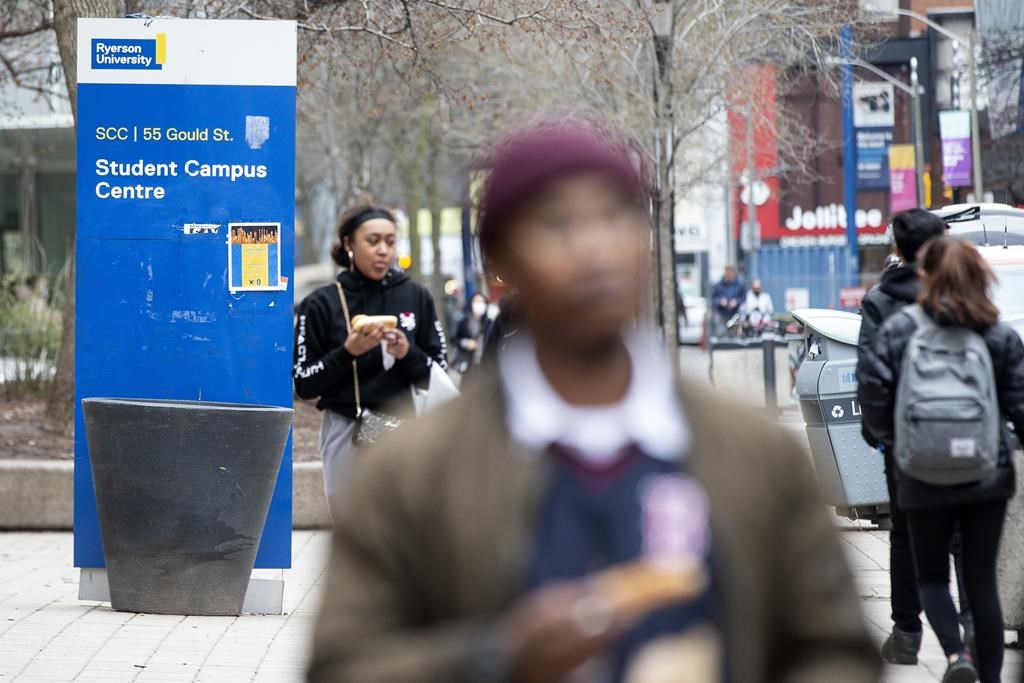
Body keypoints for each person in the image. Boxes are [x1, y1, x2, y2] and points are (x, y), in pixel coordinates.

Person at [308, 117, 880, 683]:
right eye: (556, 224)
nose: (593, 248)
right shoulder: (413, 473)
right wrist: (495, 658)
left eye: (615, 217)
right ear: (502, 260)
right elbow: (344, 663)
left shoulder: (757, 455)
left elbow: (837, 651)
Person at [859, 236, 1024, 683]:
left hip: (920, 473)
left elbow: (872, 400)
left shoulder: (901, 329)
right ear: (979, 277)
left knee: (931, 578)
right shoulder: (999, 335)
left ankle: (956, 656)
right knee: (981, 580)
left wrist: (901, 444)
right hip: (986, 474)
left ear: (924, 277)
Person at [293, 205, 447, 512]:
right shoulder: (321, 303)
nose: (383, 251)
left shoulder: (416, 296)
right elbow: (304, 383)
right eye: (373, 241)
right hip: (346, 429)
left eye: (390, 242)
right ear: (349, 244)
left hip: (408, 429)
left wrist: (407, 353)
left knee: (407, 531)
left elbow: (438, 374)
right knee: (353, 530)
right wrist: (348, 352)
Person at [856, 208, 954, 666]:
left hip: (904, 440)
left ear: (897, 248)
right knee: (962, 538)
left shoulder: (880, 300)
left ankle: (908, 635)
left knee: (905, 535)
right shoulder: (959, 292)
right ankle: (968, 639)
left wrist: (879, 434)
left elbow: (870, 377)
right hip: (962, 433)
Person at [453, 292, 492, 374]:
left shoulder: (489, 322)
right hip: (469, 365)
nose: (479, 304)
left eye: (482, 302)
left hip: (486, 367)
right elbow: (455, 339)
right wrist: (466, 343)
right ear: (471, 303)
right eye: (476, 301)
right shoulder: (464, 322)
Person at [710, 265, 744, 336]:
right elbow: (713, 299)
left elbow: (744, 298)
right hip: (722, 314)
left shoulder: (739, 285)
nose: (729, 275)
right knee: (722, 335)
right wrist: (720, 301)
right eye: (727, 273)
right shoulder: (718, 285)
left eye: (730, 273)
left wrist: (736, 301)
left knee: (735, 336)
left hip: (735, 314)